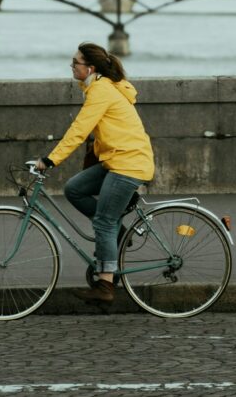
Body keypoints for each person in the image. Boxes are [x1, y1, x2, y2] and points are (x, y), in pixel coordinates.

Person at [36, 42, 155, 305]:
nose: (71, 66)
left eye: (75, 63)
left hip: (128, 163)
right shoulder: (98, 86)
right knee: (74, 189)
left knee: (103, 221)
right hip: (117, 159)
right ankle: (118, 231)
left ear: (89, 67)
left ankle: (105, 285)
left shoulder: (101, 90)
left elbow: (79, 130)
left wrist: (50, 159)